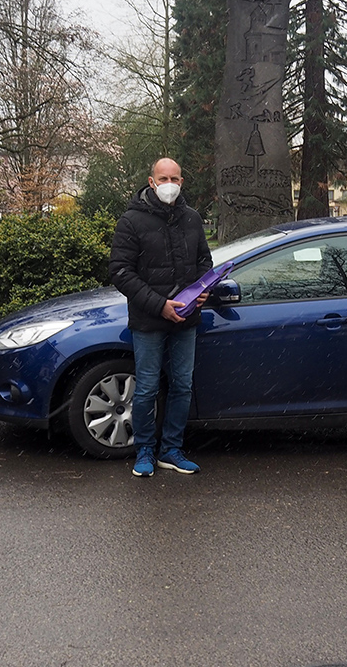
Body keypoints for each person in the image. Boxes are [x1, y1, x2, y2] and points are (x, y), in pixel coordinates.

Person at [109, 158, 212, 477]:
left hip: (186, 318)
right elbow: (121, 272)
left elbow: (203, 261)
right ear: (151, 182)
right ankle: (144, 451)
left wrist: (203, 288)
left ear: (182, 182)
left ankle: (171, 450)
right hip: (149, 320)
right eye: (163, 178)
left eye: (176, 178)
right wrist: (160, 305)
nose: (170, 184)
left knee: (182, 386)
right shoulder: (131, 221)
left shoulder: (193, 219)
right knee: (147, 388)